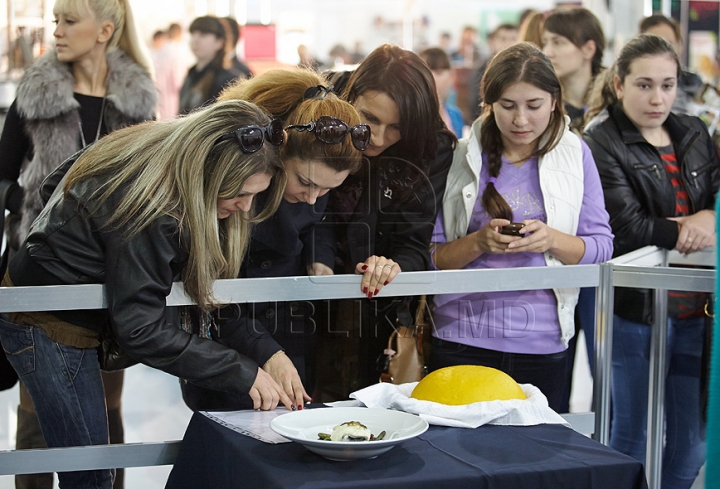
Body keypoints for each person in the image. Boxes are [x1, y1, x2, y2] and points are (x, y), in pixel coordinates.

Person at [0, 99, 304, 489]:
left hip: (52, 302)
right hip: (48, 320)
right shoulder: (155, 209)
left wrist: (266, 354)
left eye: (253, 196)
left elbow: (51, 185)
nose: (244, 208)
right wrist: (241, 371)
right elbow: (141, 329)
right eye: (239, 194)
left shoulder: (154, 145)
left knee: (91, 465)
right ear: (209, 174)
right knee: (90, 474)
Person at [0, 1, 157, 488]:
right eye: (56, 21)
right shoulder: (37, 93)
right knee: (38, 406)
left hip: (110, 276)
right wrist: (32, 199)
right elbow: (3, 175)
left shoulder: (137, 105)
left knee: (107, 404)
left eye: (70, 21)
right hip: (39, 272)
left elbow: (150, 187)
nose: (58, 32)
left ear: (105, 30)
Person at [430, 42, 613, 412]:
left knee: (534, 463)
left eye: (534, 106)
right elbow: (433, 258)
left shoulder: (576, 155)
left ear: (554, 101)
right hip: (460, 334)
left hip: (541, 340)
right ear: (489, 104)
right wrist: (478, 243)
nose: (521, 120)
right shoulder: (460, 155)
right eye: (508, 107)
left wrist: (552, 240)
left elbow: (601, 247)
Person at [180, 68, 368, 411]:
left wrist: (320, 255)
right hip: (229, 334)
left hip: (289, 323)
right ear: (278, 148)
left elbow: (319, 222)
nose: (314, 198)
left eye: (327, 190)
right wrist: (267, 353)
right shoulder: (232, 192)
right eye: (306, 183)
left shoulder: (314, 182)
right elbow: (210, 290)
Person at [583, 34, 719, 488]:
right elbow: (627, 227)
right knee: (631, 434)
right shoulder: (601, 141)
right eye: (644, 85)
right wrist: (692, 227)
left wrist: (707, 214)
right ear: (618, 85)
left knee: (694, 440)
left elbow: (716, 195)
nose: (657, 97)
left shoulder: (694, 130)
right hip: (636, 310)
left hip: (698, 309)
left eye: (666, 84)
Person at [317, 44, 457, 398]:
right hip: (304, 293)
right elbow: (301, 203)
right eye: (370, 119)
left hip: (379, 309)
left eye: (396, 128)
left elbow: (414, 242)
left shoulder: (432, 146)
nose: (378, 138)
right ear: (350, 99)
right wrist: (318, 252)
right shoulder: (322, 107)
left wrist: (392, 265)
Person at [541, 5, 607, 411]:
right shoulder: (542, 109)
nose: (548, 50)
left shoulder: (609, 114)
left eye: (558, 42)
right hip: (553, 253)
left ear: (588, 48)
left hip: (596, 248)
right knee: (559, 360)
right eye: (545, 41)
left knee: (606, 368)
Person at [639, 14, 704, 115]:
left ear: (679, 46)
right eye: (654, 44)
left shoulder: (693, 83)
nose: (661, 50)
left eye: (668, 43)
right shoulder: (633, 83)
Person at [179, 16, 238, 114]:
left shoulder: (228, 79)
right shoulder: (191, 74)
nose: (195, 40)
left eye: (203, 35)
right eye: (193, 34)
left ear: (219, 42)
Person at [467, 23, 519, 122]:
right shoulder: (481, 71)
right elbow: (474, 108)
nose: (508, 43)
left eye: (513, 39)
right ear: (494, 42)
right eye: (503, 39)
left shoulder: (525, 71)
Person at [419, 47, 465, 137]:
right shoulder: (414, 117)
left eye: (438, 72)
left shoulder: (456, 115)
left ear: (452, 76)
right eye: (426, 73)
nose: (431, 79)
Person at [155, 22, 193, 119]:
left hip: (159, 95)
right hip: (171, 97)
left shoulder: (160, 50)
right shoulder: (176, 52)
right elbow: (178, 80)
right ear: (180, 34)